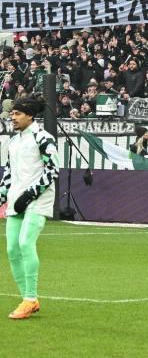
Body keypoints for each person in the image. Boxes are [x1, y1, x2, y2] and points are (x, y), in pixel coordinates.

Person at [1, 96, 58, 320]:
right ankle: (28, 299)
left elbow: (52, 170)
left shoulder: (44, 138)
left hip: (37, 199)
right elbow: (8, 174)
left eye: (17, 114)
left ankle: (30, 298)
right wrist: (2, 196)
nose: (12, 118)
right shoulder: (13, 142)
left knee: (25, 242)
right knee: (11, 250)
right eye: (12, 114)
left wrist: (30, 193)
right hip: (16, 199)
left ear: (30, 115)